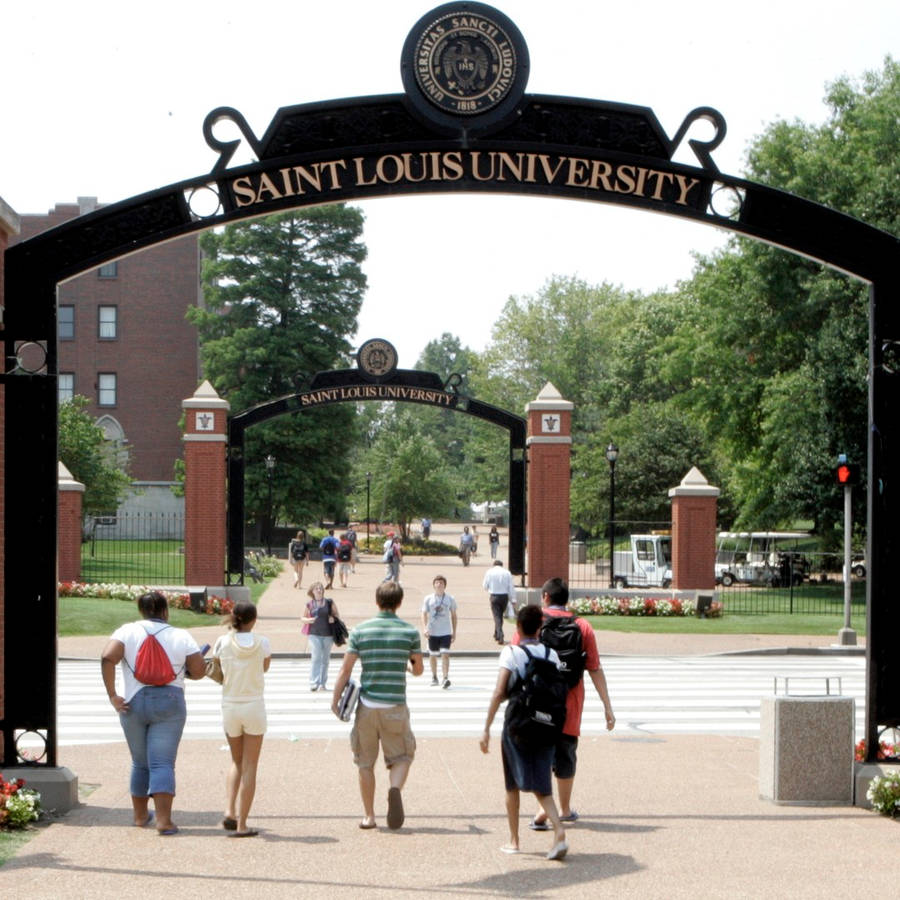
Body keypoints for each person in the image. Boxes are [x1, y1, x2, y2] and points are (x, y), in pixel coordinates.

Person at [100, 590, 206, 834]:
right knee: (162, 763)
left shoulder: (126, 631)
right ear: (165, 610)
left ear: (141, 610)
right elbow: (199, 671)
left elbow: (107, 657)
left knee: (140, 763)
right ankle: (163, 821)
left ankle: (139, 816)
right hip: (170, 701)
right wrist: (188, 671)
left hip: (133, 702)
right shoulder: (181, 635)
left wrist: (113, 695)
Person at [516, 577, 616, 830]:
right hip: (569, 703)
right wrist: (607, 705)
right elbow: (594, 667)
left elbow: (515, 658)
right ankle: (563, 808)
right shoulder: (583, 627)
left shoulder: (533, 622)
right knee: (565, 754)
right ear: (567, 599)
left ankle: (543, 808)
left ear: (546, 597)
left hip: (538, 701)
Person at [331, 581, 423, 830]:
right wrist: (406, 664)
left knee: (364, 762)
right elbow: (418, 670)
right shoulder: (410, 632)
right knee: (403, 756)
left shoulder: (361, 631)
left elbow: (345, 669)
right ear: (400, 603)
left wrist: (335, 699)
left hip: (367, 706)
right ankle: (394, 788)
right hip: (395, 705)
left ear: (377, 601)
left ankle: (369, 816)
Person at [479, 604, 568, 860]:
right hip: (548, 724)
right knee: (542, 784)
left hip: (518, 724)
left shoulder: (511, 653)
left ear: (517, 627)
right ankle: (559, 829)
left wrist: (486, 727)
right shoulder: (552, 655)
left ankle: (514, 840)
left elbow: (500, 691)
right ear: (540, 628)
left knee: (511, 784)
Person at [212, 600, 271, 838]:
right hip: (254, 704)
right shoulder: (262, 643)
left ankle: (229, 809)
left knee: (236, 761)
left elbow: (217, 668)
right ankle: (243, 823)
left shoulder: (223, 642)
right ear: (253, 620)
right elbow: (265, 668)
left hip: (230, 705)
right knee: (250, 766)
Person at [421, 575, 457, 689]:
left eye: (441, 583)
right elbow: (423, 613)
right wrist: (424, 628)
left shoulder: (450, 598)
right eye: (437, 582)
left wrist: (454, 632)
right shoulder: (428, 599)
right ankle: (434, 676)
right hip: (432, 632)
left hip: (446, 632)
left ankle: (445, 678)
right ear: (433, 585)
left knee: (445, 654)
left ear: (444, 585)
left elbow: (454, 615)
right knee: (432, 656)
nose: (439, 584)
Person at [302, 582, 339, 691]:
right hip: (314, 634)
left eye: (320, 588)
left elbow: (337, 614)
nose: (319, 590)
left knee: (325, 659)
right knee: (316, 657)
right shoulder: (309, 604)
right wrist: (309, 620)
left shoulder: (329, 602)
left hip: (328, 634)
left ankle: (322, 683)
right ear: (312, 591)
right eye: (316, 589)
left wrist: (333, 618)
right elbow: (302, 618)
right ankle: (314, 682)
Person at [483, 559, 516, 644]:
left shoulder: (489, 572)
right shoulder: (507, 573)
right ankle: (496, 633)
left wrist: (490, 588)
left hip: (494, 596)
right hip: (504, 596)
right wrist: (513, 599)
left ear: (494, 565)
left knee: (497, 616)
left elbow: (485, 586)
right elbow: (511, 587)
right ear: (502, 565)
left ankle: (500, 635)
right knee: (499, 615)